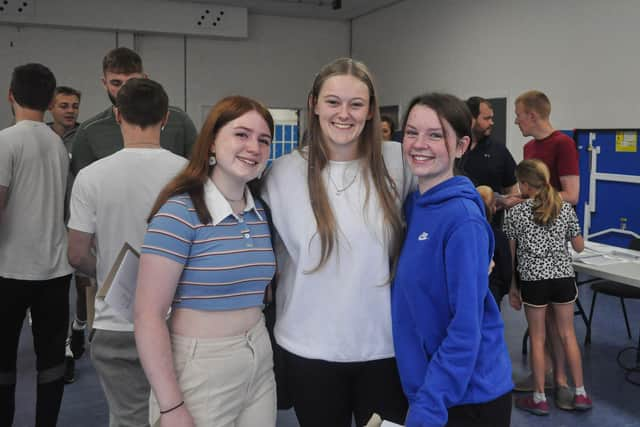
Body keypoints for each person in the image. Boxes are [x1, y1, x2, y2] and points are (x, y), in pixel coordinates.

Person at [262, 57, 412, 427]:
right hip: (308, 349)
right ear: (314, 104)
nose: (344, 114)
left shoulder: (400, 163)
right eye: (333, 102)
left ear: (371, 110)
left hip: (386, 350)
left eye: (356, 104)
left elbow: (455, 195)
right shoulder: (281, 173)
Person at [135, 95, 277, 427]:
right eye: (241, 134)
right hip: (201, 364)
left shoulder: (260, 213)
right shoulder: (179, 212)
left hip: (258, 356)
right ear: (212, 141)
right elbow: (147, 316)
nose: (253, 147)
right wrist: (171, 407)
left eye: (263, 140)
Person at [67, 78, 187, 426]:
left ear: (117, 116)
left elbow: (76, 255)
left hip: (114, 321)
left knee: (127, 418)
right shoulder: (188, 175)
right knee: (177, 413)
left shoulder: (91, 177)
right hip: (175, 321)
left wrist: (107, 270)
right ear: (165, 118)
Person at [392, 93, 513, 427]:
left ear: (461, 146)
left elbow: (465, 329)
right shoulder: (416, 205)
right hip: (431, 388)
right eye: (412, 132)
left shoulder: (462, 220)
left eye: (435, 135)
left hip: (469, 398)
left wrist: (429, 406)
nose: (419, 144)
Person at [0, 63, 73, 427]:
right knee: (50, 363)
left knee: (3, 361)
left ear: (10, 96)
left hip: (9, 270)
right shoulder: (57, 144)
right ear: (48, 102)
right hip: (55, 271)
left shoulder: (5, 141)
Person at [505, 159, 592, 415]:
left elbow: (512, 257)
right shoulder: (563, 208)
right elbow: (578, 247)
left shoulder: (516, 213)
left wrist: (513, 287)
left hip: (533, 281)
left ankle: (540, 397)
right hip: (563, 279)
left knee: (539, 337)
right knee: (567, 335)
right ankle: (580, 393)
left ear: (523, 183)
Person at [512, 90, 580, 405]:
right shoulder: (528, 147)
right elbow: (527, 189)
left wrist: (531, 200)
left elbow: (572, 194)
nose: (515, 120)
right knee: (545, 322)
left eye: (519, 114)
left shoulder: (563, 144)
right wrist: (514, 198)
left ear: (533, 116)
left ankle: (561, 381)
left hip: (551, 241)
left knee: (555, 323)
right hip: (533, 248)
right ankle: (548, 377)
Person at [71, 47, 197, 175]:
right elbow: (81, 185)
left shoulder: (179, 120)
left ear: (145, 79)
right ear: (104, 83)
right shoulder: (89, 131)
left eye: (132, 81)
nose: (125, 90)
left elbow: (198, 173)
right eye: (116, 83)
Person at [46, 84, 88, 384]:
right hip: (48, 225)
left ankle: (80, 326)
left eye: (74, 105)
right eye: (64, 105)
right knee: (57, 290)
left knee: (84, 285)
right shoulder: (42, 136)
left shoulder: (85, 138)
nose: (70, 110)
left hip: (81, 223)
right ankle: (65, 353)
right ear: (51, 107)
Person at [459, 97, 518, 223]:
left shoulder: (499, 150)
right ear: (471, 119)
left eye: (492, 118)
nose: (492, 122)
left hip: (491, 226)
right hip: (458, 222)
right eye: (486, 118)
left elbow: (512, 190)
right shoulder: (454, 149)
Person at [477, 185, 512, 309]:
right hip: (493, 290)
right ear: (494, 209)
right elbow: (506, 271)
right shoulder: (498, 237)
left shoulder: (464, 233)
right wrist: (503, 290)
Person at [48, 85, 81, 151]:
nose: (71, 111)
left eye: (75, 107)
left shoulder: (86, 134)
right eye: (64, 106)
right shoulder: (41, 134)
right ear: (50, 107)